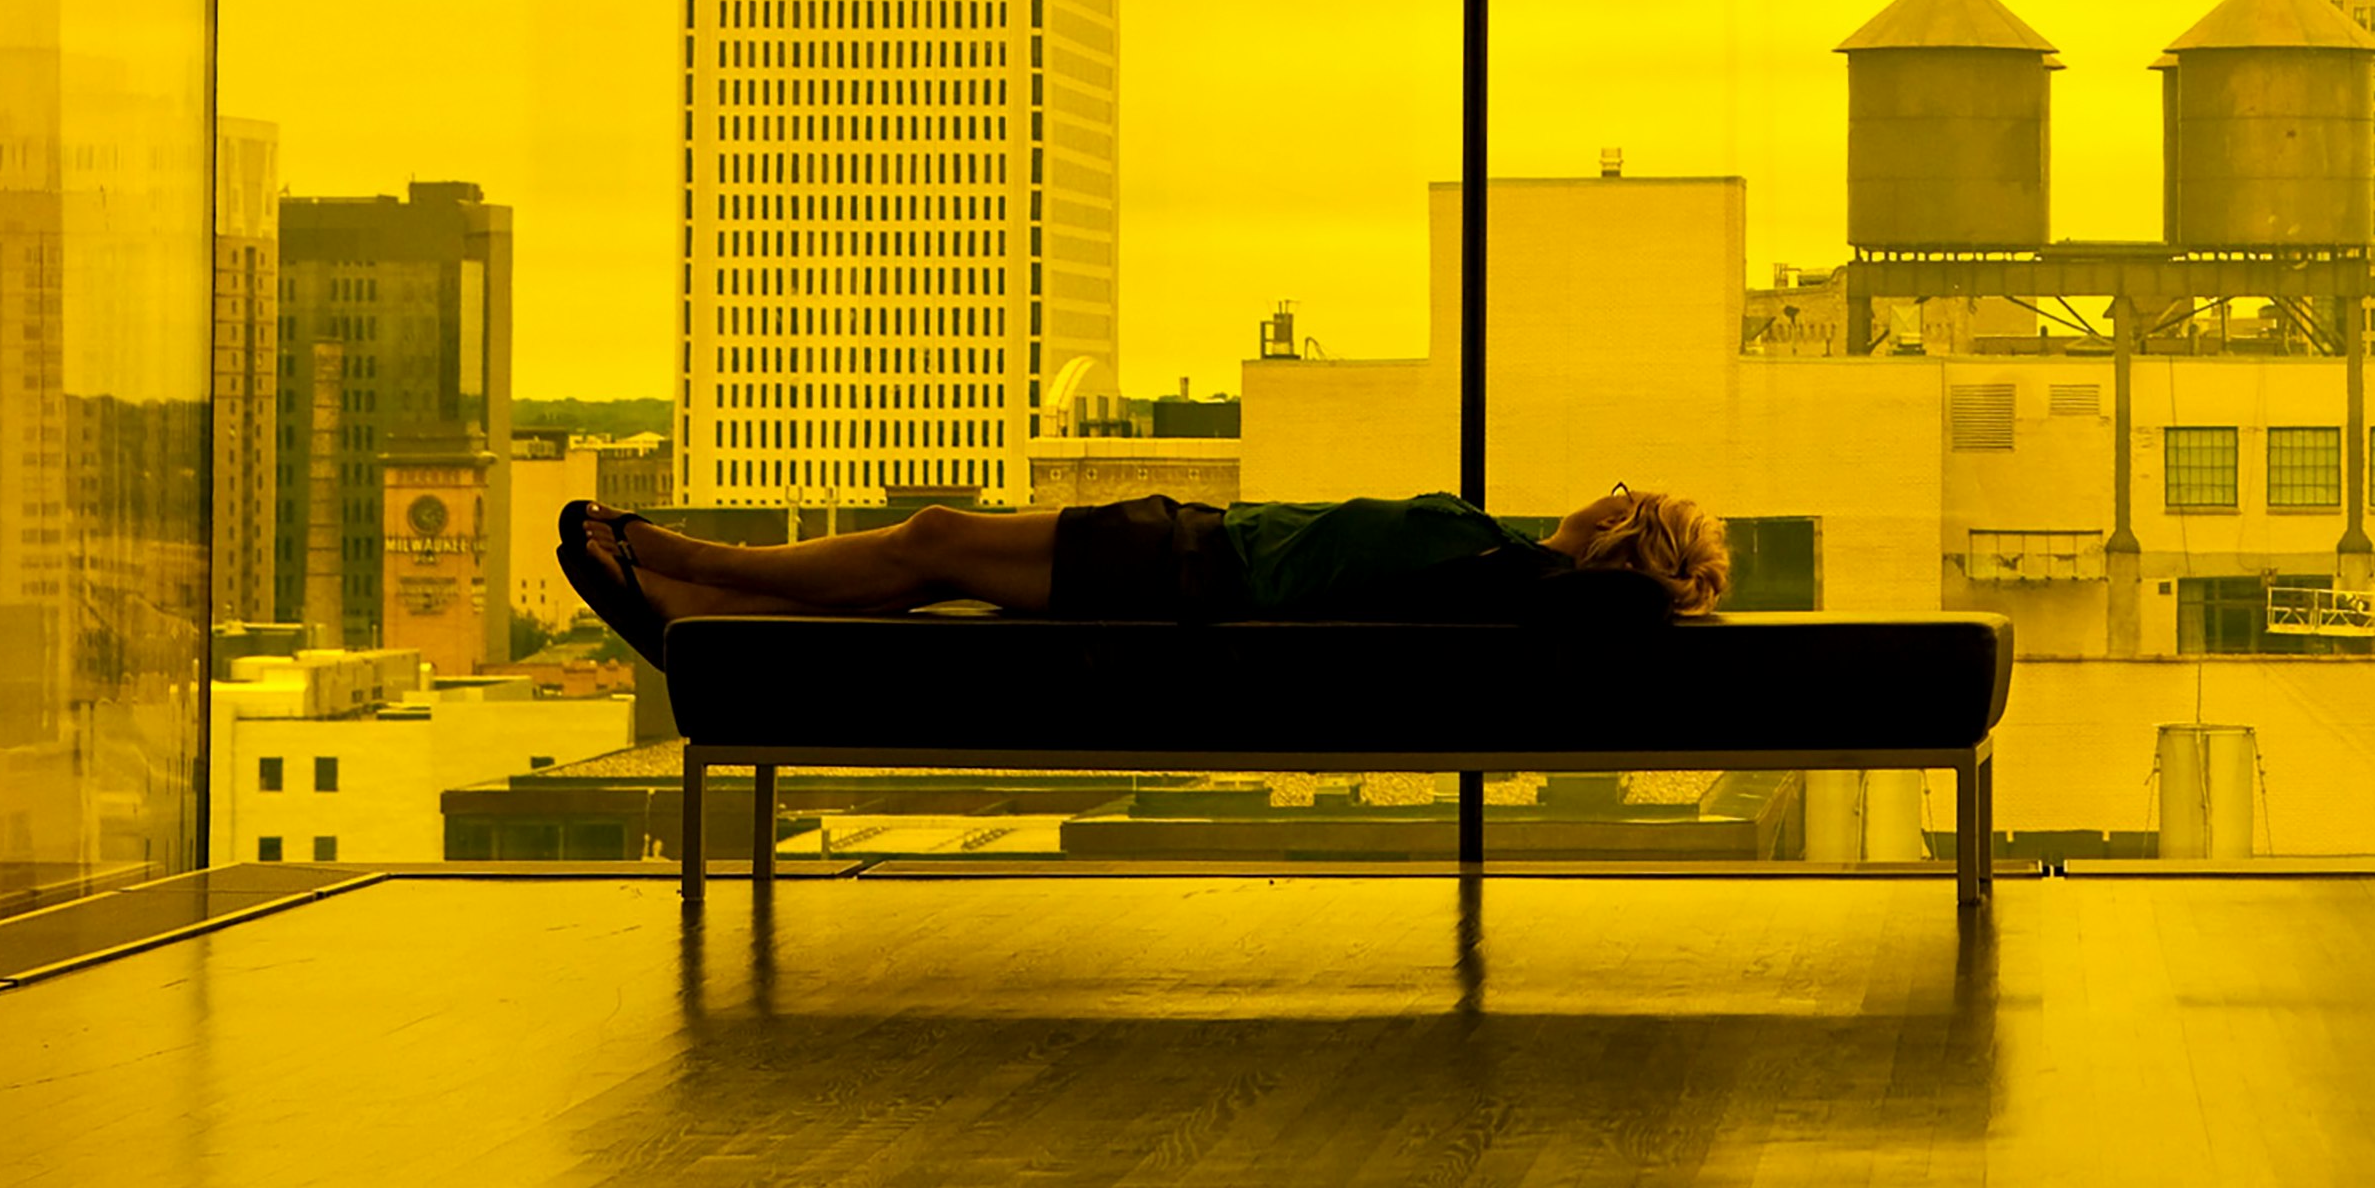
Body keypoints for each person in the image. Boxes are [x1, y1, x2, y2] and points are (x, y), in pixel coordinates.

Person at [555, 485, 1724, 658]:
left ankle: (682, 560)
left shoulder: (1507, 568)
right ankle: (704, 602)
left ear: (1621, 535)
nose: (1601, 488)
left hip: (1181, 561)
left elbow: (1623, 604)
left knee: (929, 542)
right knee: (928, 562)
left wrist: (1648, 576)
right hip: (1183, 556)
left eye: (1626, 496)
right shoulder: (1502, 567)